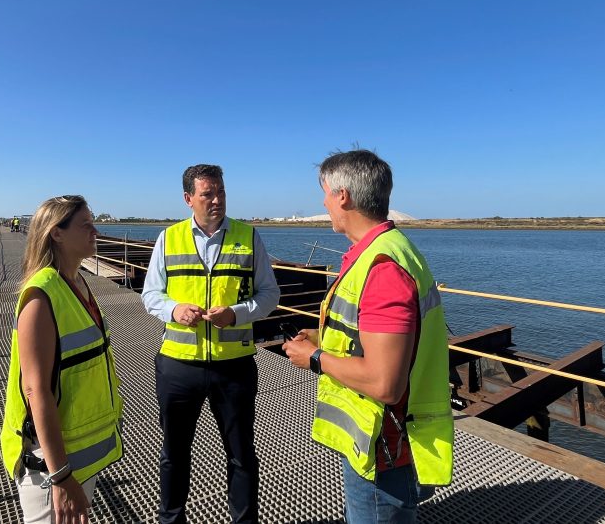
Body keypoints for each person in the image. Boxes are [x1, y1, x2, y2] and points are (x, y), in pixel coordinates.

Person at [282, 149, 453, 524]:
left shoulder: (381, 267)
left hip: (384, 451)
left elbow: (384, 382)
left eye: (325, 193)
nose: (324, 202)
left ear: (343, 196)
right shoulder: (388, 249)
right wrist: (323, 336)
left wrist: (313, 357)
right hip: (385, 442)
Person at [141, 164, 280, 524]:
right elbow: (150, 295)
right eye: (208, 194)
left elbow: (270, 294)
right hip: (178, 364)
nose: (217, 200)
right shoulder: (168, 238)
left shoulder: (249, 237)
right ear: (188, 199)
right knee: (174, 453)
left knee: (241, 454)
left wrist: (236, 313)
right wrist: (174, 310)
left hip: (233, 366)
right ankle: (171, 520)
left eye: (221, 192)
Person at [0, 195, 124, 524]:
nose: (95, 231)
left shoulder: (77, 282)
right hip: (50, 465)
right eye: (85, 225)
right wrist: (61, 476)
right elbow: (36, 391)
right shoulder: (41, 297)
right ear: (57, 233)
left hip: (78, 455)